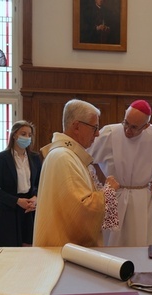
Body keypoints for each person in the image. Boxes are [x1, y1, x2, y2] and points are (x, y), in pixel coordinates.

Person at [87, 100, 152, 246]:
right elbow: (84, 157)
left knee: (141, 243)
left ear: (146, 126)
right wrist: (96, 186)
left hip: (142, 198)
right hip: (114, 197)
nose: (127, 130)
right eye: (125, 123)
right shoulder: (109, 133)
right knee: (112, 243)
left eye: (134, 127)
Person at [33, 99, 120, 247]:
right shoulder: (64, 158)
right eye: (95, 127)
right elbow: (81, 210)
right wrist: (108, 191)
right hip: (62, 250)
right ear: (77, 127)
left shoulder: (67, 155)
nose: (98, 133)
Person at [0, 120, 42, 247]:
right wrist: (17, 201)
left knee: (29, 249)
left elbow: (40, 183)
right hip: (9, 209)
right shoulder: (1, 158)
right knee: (8, 251)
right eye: (23, 134)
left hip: (29, 209)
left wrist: (35, 198)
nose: (27, 137)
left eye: (29, 135)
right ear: (14, 135)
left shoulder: (35, 158)